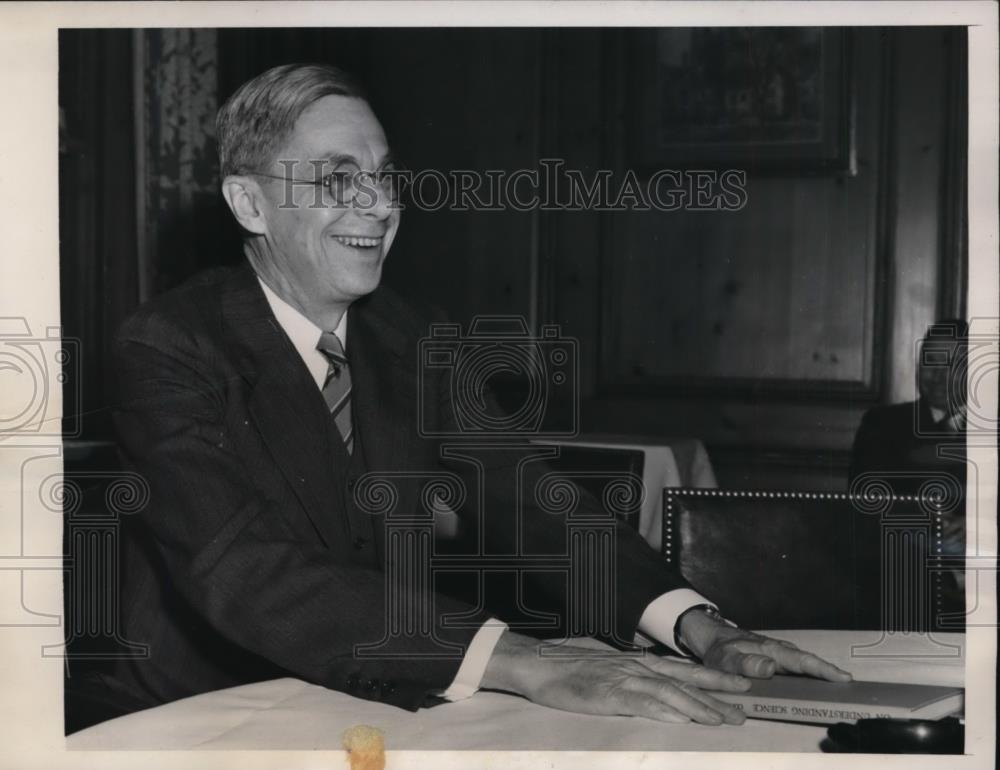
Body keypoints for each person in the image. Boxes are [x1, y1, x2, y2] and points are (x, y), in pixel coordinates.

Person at [77, 63, 851, 734]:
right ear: (249, 205)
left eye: (384, 177)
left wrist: (700, 627)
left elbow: (529, 495)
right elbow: (242, 571)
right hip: (194, 717)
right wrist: (524, 660)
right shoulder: (169, 346)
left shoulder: (410, 336)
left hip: (362, 699)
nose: (378, 206)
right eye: (338, 179)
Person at [849, 319, 968, 624]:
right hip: (902, 588)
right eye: (931, 361)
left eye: (953, 364)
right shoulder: (883, 426)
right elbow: (863, 506)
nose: (939, 376)